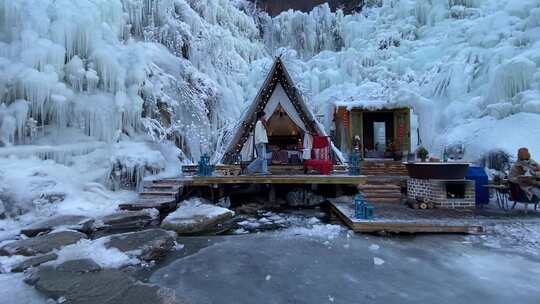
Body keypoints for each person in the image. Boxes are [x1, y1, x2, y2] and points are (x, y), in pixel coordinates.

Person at [247, 111, 269, 175]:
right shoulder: (259, 123)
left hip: (263, 142)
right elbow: (258, 133)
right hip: (260, 142)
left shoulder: (262, 123)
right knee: (261, 157)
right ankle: (250, 168)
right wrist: (260, 142)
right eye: (265, 115)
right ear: (262, 116)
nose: (266, 116)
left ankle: (264, 171)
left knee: (264, 158)